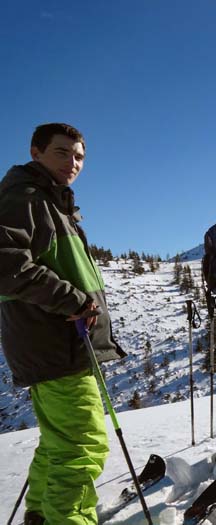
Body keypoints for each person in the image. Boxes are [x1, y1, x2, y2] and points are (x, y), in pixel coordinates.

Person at [0, 123, 125, 524]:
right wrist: (71, 300)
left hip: (58, 345)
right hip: (56, 345)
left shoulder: (53, 205)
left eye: (79, 156)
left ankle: (39, 514)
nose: (72, 163)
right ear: (36, 152)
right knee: (81, 446)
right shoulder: (26, 198)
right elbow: (6, 264)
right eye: (62, 153)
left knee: (60, 445)